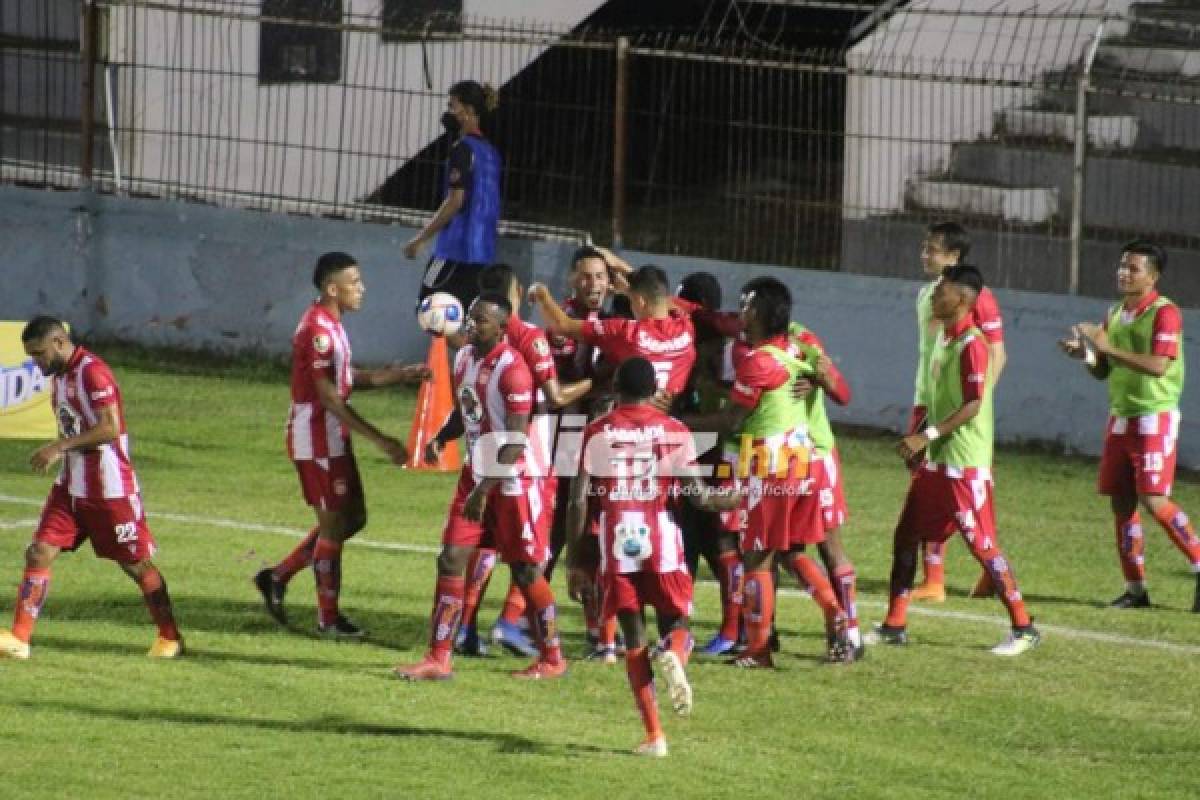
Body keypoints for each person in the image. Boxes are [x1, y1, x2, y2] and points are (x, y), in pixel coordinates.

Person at [565, 357, 739, 757]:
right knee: (676, 623)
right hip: (660, 537)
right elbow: (699, 496)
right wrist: (729, 496)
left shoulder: (597, 432)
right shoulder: (674, 431)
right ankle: (675, 653)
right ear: (653, 390)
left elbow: (577, 501)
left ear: (616, 387)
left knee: (633, 639)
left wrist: (576, 560)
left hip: (615, 539)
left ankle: (654, 735)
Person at [867, 265, 1039, 656]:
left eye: (940, 290)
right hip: (937, 462)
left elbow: (973, 404)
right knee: (906, 535)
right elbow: (940, 400)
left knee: (981, 545)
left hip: (965, 464)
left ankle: (1024, 626)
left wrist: (925, 435)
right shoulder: (943, 338)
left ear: (962, 298)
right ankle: (894, 623)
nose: (933, 296)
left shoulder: (972, 344)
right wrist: (921, 438)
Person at [254, 253, 428, 637]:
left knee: (354, 518)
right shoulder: (316, 330)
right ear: (333, 289)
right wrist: (382, 441)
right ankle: (328, 618)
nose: (361, 288)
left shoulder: (332, 324)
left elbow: (347, 379)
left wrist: (398, 376)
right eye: (355, 282)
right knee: (334, 527)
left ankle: (278, 576)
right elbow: (330, 398)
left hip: (333, 437)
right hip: (316, 440)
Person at [396, 294, 566, 681]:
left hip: (515, 481)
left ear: (503, 328)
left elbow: (517, 438)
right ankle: (439, 657)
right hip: (478, 475)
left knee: (524, 570)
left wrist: (483, 490)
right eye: (471, 318)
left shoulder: (514, 370)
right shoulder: (464, 359)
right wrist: (443, 435)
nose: (472, 326)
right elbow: (467, 409)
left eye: (481, 321)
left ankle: (553, 657)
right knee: (451, 558)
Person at [688, 277, 855, 667]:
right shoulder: (790, 349)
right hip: (799, 460)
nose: (740, 311)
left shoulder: (758, 362)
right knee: (789, 551)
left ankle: (759, 650)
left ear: (761, 313)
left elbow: (731, 420)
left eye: (746, 305)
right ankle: (836, 614)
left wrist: (678, 421)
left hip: (771, 466)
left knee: (757, 557)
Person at [0, 317, 183, 660]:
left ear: (58, 341)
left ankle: (170, 636)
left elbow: (110, 428)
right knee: (39, 552)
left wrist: (59, 447)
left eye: (39, 354)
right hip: (70, 485)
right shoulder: (60, 375)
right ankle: (19, 639)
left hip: (108, 490)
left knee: (136, 565)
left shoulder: (93, 372)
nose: (37, 364)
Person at [452, 263, 593, 658]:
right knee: (534, 549)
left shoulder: (471, 343)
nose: (592, 283)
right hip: (535, 451)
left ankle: (467, 627)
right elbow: (555, 397)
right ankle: (517, 628)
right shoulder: (529, 335)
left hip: (490, 454)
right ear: (514, 295)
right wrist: (600, 382)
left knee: (487, 541)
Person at [1060, 240, 1200, 611]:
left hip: (1154, 417)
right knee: (1121, 503)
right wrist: (1087, 354)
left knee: (1154, 501)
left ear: (1153, 276)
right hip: (1120, 417)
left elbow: (1158, 365)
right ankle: (1136, 590)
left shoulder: (1164, 312)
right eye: (1122, 265)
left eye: (1133, 268)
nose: (1124, 272)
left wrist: (1104, 347)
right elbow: (1102, 372)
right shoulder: (1116, 312)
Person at [909, 222, 1007, 603]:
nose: (925, 254)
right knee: (926, 486)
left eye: (932, 249)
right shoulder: (926, 295)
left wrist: (977, 403)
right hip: (926, 402)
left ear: (954, 257)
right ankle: (935, 579)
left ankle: (984, 569)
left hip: (959, 411)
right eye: (924, 246)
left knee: (963, 490)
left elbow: (998, 352)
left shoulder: (975, 296)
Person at [404, 80, 501, 311]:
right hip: (482, 250)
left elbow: (456, 201)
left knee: (427, 310)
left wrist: (420, 239)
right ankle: (472, 349)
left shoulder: (463, 149)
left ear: (467, 111)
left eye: (452, 106)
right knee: (462, 315)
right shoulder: (491, 152)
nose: (448, 112)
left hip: (455, 248)